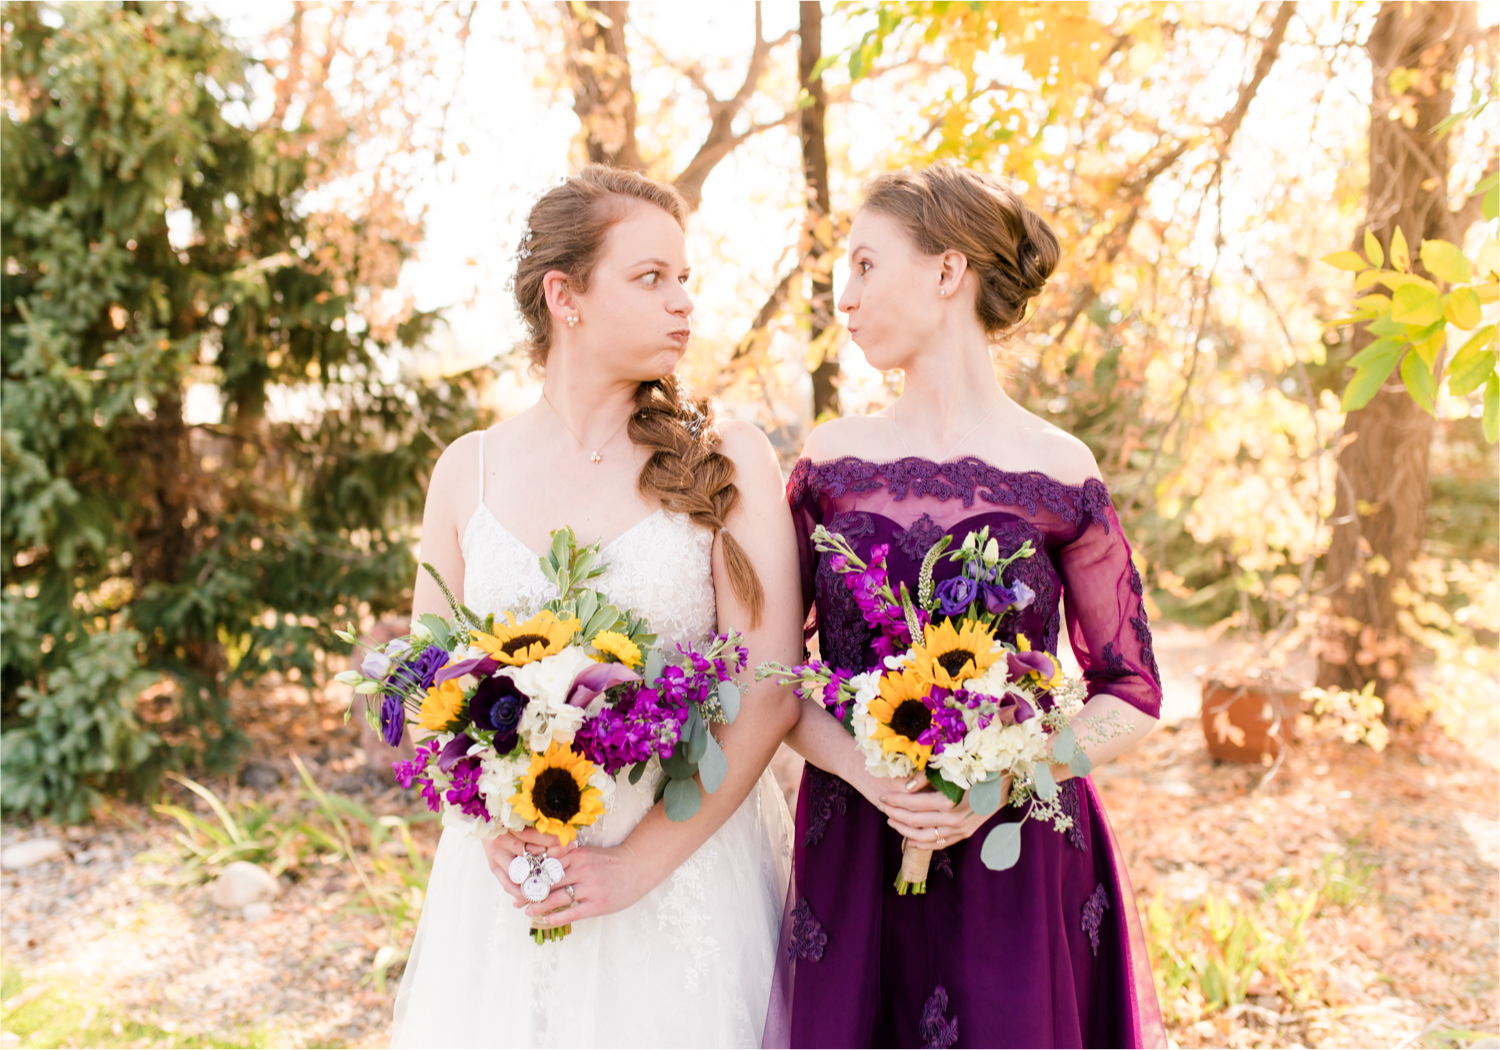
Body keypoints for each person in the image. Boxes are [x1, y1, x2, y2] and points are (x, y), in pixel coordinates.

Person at [392, 165, 800, 1048]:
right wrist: (480, 822)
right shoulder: (469, 469)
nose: (683, 303)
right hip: (509, 884)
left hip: (685, 876)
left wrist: (631, 869)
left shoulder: (727, 458)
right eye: (651, 278)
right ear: (564, 296)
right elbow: (425, 686)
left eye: (686, 278)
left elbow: (769, 688)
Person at [772, 164, 1167, 1049]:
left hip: (1017, 848)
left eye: (868, 265)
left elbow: (1131, 693)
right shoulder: (830, 463)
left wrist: (1000, 779)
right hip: (856, 839)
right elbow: (776, 670)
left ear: (948, 273)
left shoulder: (1063, 470)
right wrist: (868, 771)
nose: (847, 296)